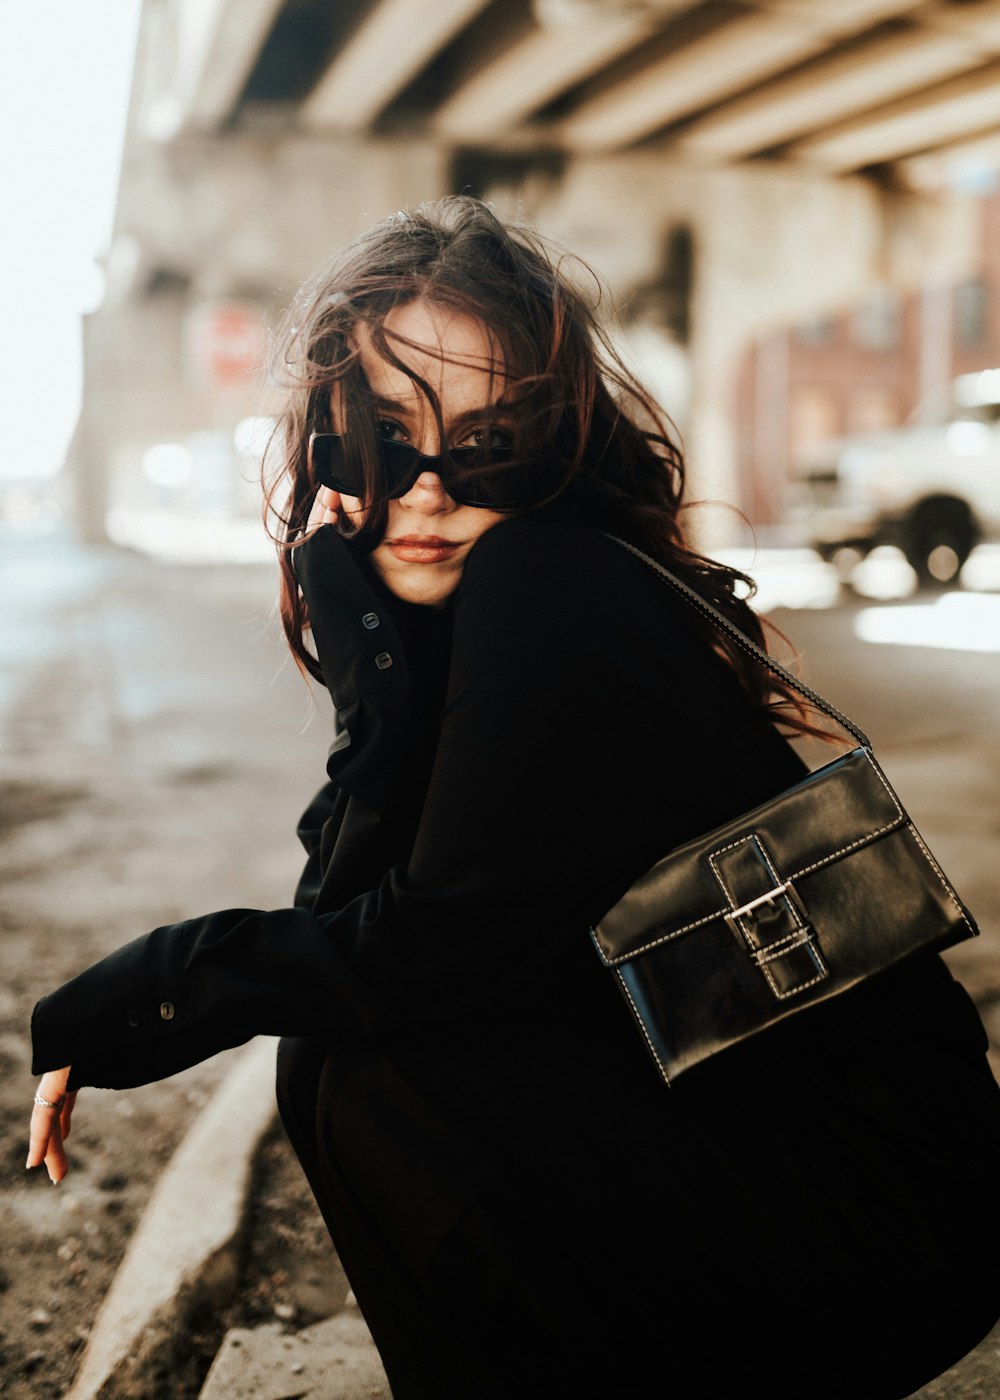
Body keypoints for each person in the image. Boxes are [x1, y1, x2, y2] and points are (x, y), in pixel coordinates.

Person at [27, 197, 1000, 1399]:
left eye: (485, 447)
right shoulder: (506, 597)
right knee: (354, 1053)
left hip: (873, 1209)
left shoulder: (552, 583)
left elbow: (408, 947)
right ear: (325, 443)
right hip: (835, 1189)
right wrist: (366, 647)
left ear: (554, 452)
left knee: (370, 1071)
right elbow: (369, 895)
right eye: (379, 444)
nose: (428, 491)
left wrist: (142, 995)